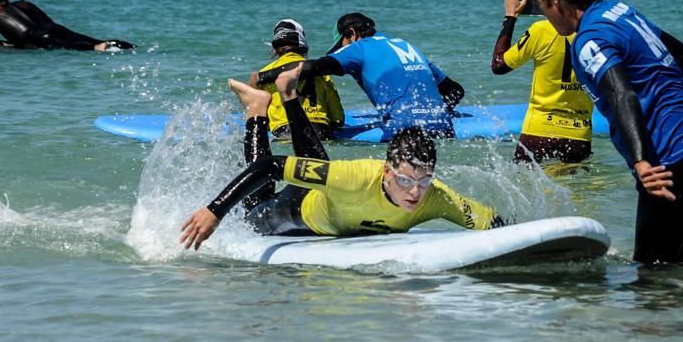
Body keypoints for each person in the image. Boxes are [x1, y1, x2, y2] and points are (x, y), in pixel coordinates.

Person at [525, 0, 683, 265]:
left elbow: (621, 94)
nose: (543, 11)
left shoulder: (590, 39)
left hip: (669, 164)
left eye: (542, 2)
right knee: (677, 269)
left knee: (650, 274)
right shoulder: (619, 12)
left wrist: (641, 162)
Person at [179, 75, 503, 251]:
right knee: (255, 206)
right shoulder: (356, 177)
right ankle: (257, 110)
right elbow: (270, 166)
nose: (415, 193)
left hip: (327, 197)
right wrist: (215, 211)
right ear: (387, 171)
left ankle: (289, 98)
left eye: (424, 181)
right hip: (295, 214)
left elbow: (494, 224)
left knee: (318, 166)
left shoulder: (434, 196)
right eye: (405, 181)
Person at [255, 13, 465, 140]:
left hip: (402, 133)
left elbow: (311, 67)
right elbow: (456, 91)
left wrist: (263, 76)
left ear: (352, 34)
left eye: (341, 45)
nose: (341, 51)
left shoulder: (359, 48)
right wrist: (433, 113)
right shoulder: (407, 45)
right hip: (444, 129)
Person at [491, 0, 593, 164]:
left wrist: (510, 16)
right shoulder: (596, 31)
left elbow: (499, 65)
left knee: (524, 188)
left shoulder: (540, 30)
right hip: (579, 135)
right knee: (577, 191)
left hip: (539, 131)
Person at [251, 19, 344, 141]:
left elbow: (257, 115)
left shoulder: (264, 74)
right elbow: (338, 119)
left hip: (284, 132)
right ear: (304, 47)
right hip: (320, 131)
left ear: (275, 49)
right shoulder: (321, 74)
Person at [0, 0, 134, 51]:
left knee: (73, 47)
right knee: (95, 40)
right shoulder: (24, 3)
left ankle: (95, 48)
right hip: (52, 27)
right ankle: (131, 47)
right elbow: (47, 21)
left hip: (35, 36)